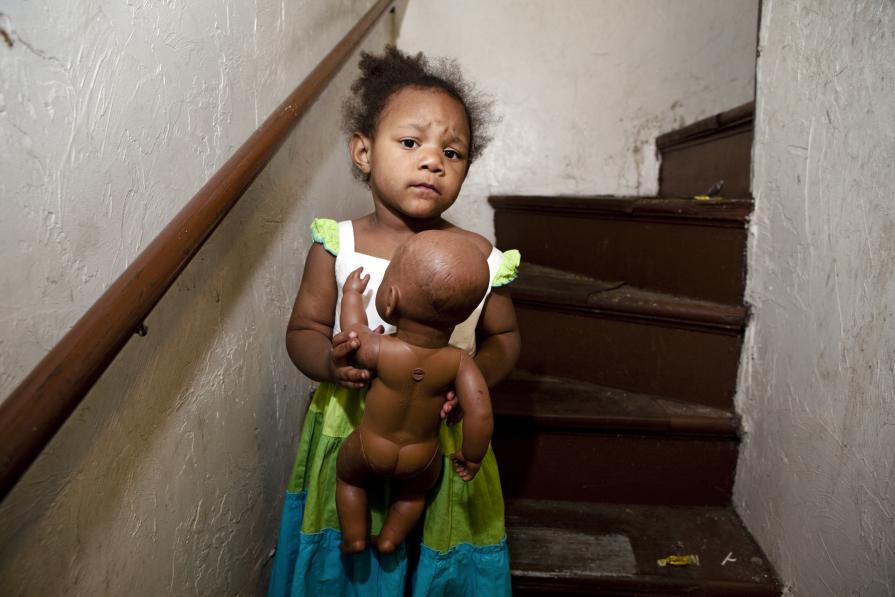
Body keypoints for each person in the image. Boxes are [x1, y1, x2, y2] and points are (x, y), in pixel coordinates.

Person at [268, 45, 521, 597]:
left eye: (453, 153)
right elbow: (303, 331)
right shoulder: (340, 245)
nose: (434, 161)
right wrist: (331, 364)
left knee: (433, 545)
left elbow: (503, 338)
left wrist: (472, 381)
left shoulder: (477, 257)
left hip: (442, 435)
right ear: (363, 151)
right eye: (411, 143)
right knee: (345, 552)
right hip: (349, 428)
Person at [336, 232, 494, 556]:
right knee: (412, 496)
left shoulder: (381, 349)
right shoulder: (458, 362)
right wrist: (473, 455)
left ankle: (354, 535)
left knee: (349, 479)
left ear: (390, 299)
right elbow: (480, 411)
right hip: (422, 457)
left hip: (371, 445)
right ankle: (391, 539)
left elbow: (353, 331)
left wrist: (352, 294)